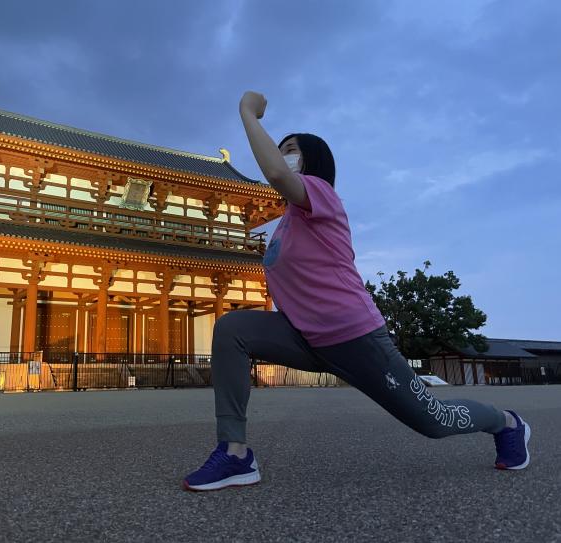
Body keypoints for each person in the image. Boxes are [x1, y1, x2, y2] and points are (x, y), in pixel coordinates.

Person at [182, 91, 531, 492]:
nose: (283, 155)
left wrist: (246, 112)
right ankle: (235, 453)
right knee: (232, 329)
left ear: (312, 161)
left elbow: (278, 174)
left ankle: (507, 422)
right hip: (306, 337)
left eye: (291, 150)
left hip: (356, 339)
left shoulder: (321, 196)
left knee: (434, 420)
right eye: (281, 150)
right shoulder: (284, 225)